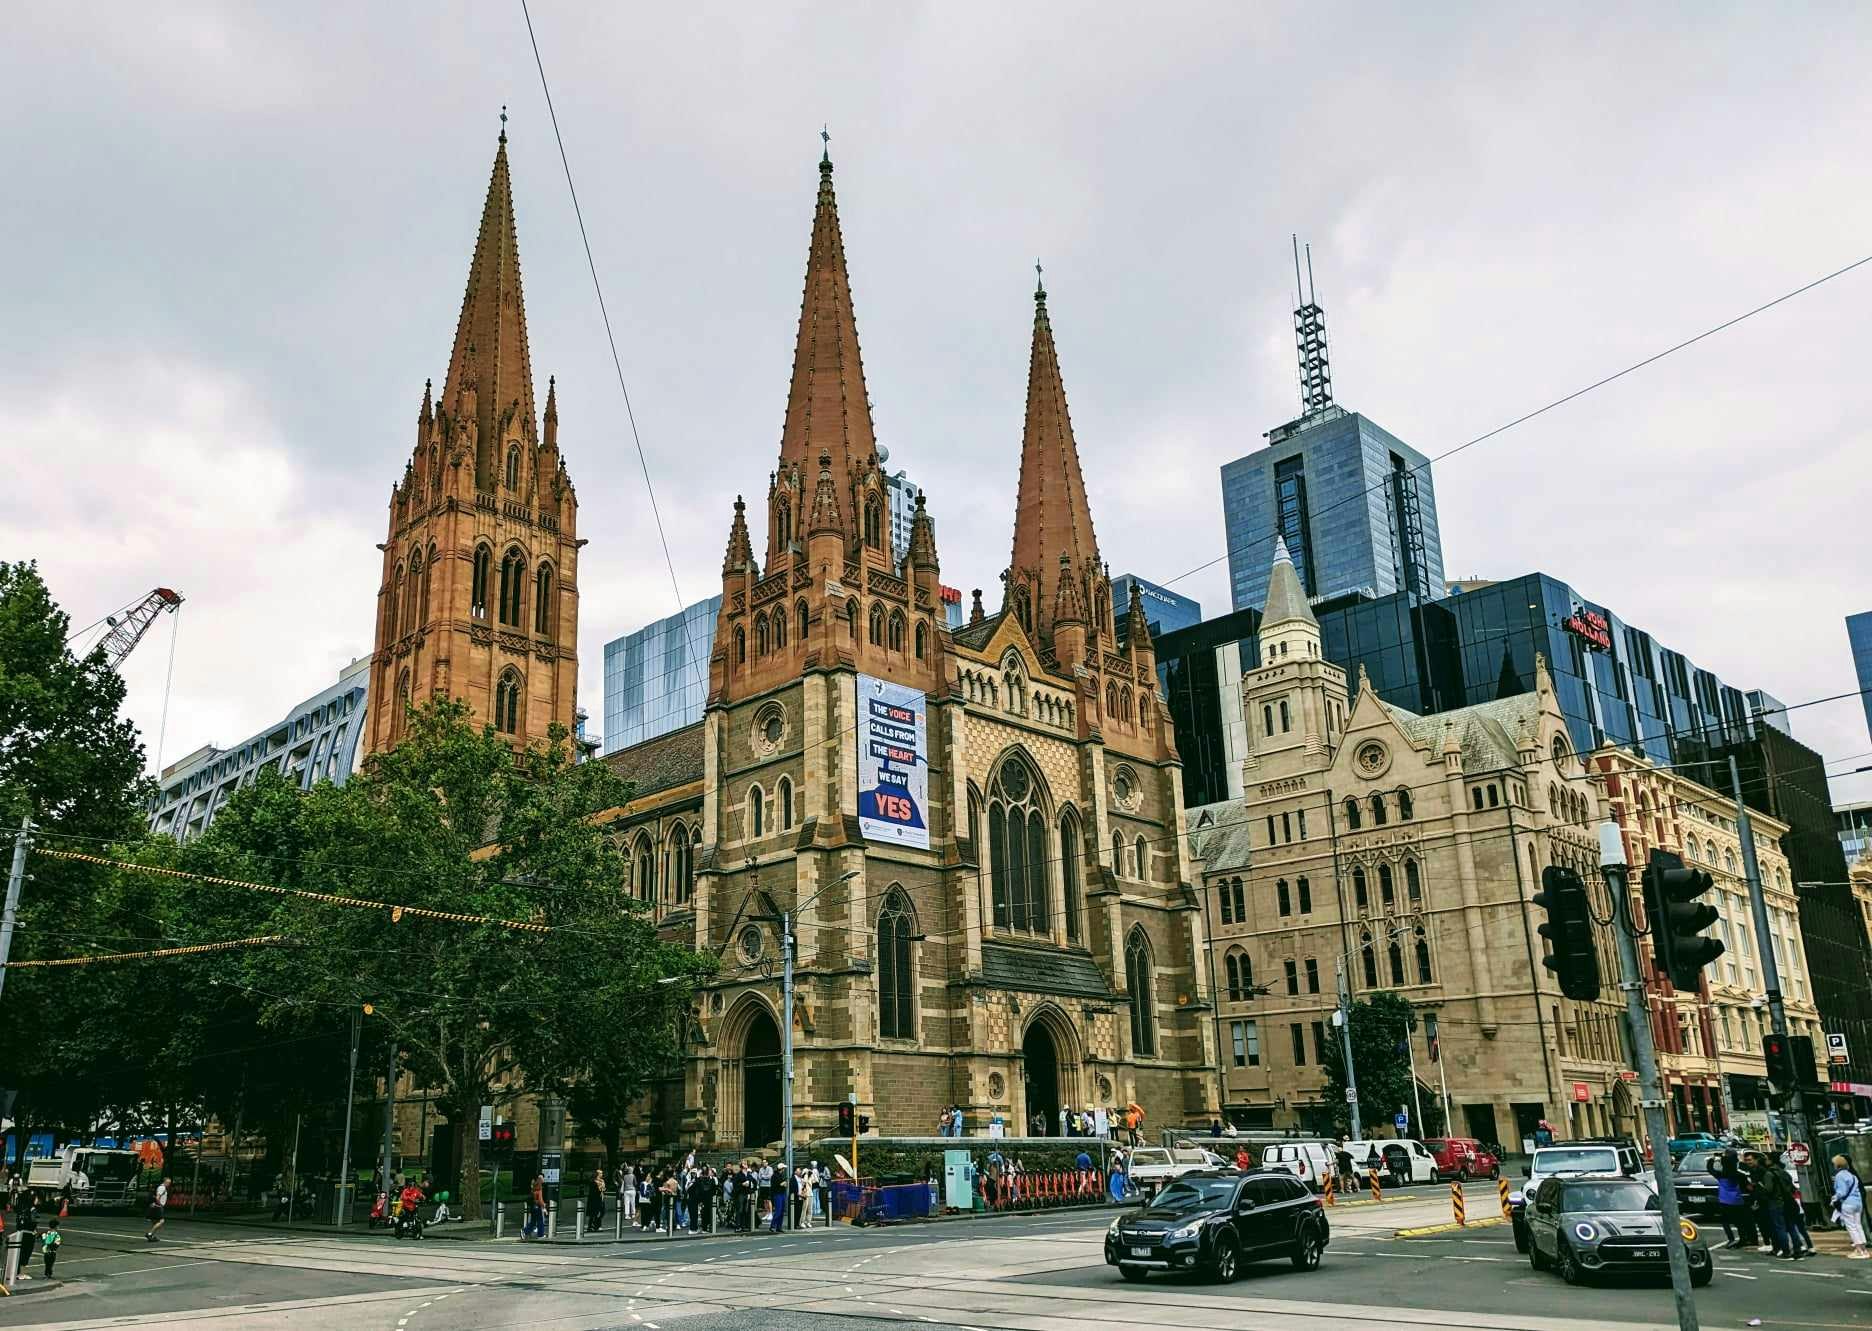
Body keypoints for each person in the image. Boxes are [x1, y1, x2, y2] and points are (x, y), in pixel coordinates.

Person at [1715, 1150, 1755, 1248]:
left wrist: (1712, 1160)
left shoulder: (1721, 1174)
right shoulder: (1739, 1174)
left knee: (1725, 1221)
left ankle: (1731, 1239)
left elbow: (1710, 1169)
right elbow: (1748, 1185)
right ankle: (1746, 1239)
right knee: (1741, 1221)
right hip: (1737, 1199)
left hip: (1724, 1200)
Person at [1779, 1151, 1815, 1257]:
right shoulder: (1793, 1173)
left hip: (1793, 1204)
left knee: (1792, 1227)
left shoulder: (1785, 1175)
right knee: (1801, 1228)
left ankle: (1800, 1246)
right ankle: (1809, 1246)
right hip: (1798, 1204)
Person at [1830, 1154, 1867, 1258]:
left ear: (1838, 1165)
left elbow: (1841, 1191)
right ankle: (1864, 1249)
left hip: (1848, 1204)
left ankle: (1859, 1250)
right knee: (1858, 1226)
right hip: (1858, 1203)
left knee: (1851, 1227)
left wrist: (1834, 1198)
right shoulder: (1853, 1176)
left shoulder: (1839, 1176)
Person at [145, 1176, 170, 1242]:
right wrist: (160, 1204)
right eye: (168, 1182)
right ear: (165, 1182)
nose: (169, 1184)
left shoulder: (161, 1187)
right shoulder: (162, 1188)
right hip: (158, 1207)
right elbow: (157, 1197)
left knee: (155, 1223)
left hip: (155, 1206)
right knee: (161, 1221)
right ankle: (149, 1234)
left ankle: (152, 1236)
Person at [525, 1173, 546, 1239]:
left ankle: (525, 1231)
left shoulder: (534, 1186)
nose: (543, 1179)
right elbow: (540, 1199)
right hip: (537, 1206)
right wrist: (543, 1206)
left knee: (533, 1222)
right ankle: (541, 1234)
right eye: (541, 1178)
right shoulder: (539, 1187)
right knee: (540, 1221)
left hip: (533, 1206)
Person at [586, 1168, 606, 1234]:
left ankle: (596, 1225)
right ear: (597, 1174)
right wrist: (600, 1188)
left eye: (602, 1173)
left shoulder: (602, 1181)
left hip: (601, 1198)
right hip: (594, 1199)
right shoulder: (593, 1181)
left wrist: (602, 1187)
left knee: (602, 1212)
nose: (602, 1174)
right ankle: (592, 1226)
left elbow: (604, 1189)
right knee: (594, 1213)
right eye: (600, 1173)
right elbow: (595, 1191)